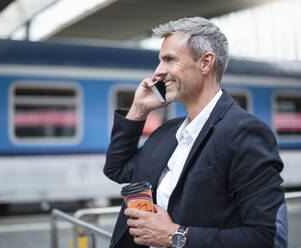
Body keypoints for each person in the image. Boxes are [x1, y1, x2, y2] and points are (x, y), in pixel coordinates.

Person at [103, 17, 287, 248]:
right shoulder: (168, 132)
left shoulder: (243, 132)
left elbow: (266, 238)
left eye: (169, 59)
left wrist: (174, 236)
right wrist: (139, 110)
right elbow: (116, 168)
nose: (158, 72)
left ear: (205, 63)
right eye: (160, 61)